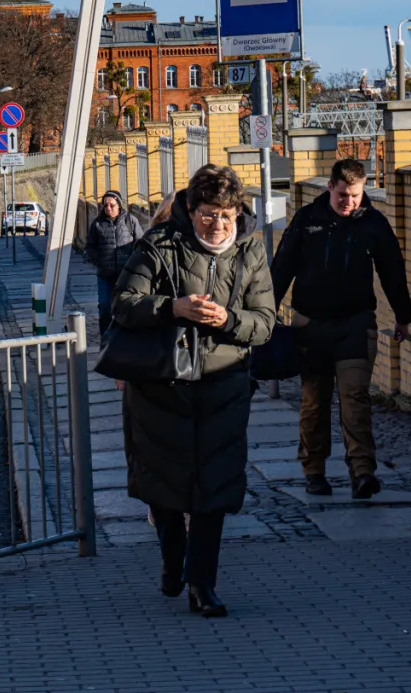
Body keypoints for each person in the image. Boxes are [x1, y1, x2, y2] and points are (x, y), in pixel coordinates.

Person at [112, 165, 276, 617]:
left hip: (225, 384)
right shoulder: (159, 245)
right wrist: (173, 307)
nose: (218, 224)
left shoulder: (251, 253)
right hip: (163, 385)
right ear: (191, 208)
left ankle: (202, 584)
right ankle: (172, 556)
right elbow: (122, 305)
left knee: (214, 488)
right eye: (208, 213)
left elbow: (264, 322)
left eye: (226, 214)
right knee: (163, 484)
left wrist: (227, 320)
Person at [270, 159, 411, 499]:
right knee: (314, 402)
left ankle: (362, 472)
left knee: (355, 399)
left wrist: (403, 316)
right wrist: (266, 314)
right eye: (344, 195)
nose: (349, 202)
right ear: (330, 187)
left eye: (356, 196)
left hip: (355, 322)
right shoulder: (307, 221)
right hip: (310, 324)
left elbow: (392, 270)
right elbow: (282, 267)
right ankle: (314, 470)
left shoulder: (374, 223)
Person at [85, 190, 143, 334]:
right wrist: (98, 261)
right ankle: (105, 337)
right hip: (105, 275)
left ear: (119, 204)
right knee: (104, 306)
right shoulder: (97, 224)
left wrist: (134, 262)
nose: (108, 208)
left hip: (126, 275)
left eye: (112, 205)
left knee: (127, 306)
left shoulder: (130, 221)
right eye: (105, 206)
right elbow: (90, 246)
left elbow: (141, 244)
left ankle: (125, 337)